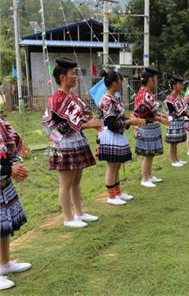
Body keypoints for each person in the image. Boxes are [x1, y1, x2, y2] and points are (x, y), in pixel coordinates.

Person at [42, 58, 102, 228]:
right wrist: (88, 124)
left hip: (75, 140)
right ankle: (68, 218)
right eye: (73, 74)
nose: (76, 77)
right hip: (63, 142)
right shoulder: (57, 98)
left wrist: (94, 122)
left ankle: (79, 213)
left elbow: (83, 114)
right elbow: (63, 126)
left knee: (76, 180)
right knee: (65, 183)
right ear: (62, 77)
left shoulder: (72, 96)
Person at [97, 69, 145, 206]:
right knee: (112, 166)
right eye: (120, 81)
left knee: (117, 165)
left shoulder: (114, 98)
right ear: (114, 83)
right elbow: (111, 123)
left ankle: (117, 192)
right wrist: (130, 122)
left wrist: (132, 119)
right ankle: (111, 195)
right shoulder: (106, 101)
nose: (122, 84)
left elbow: (119, 117)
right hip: (110, 135)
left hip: (117, 135)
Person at [0, 117, 31, 290]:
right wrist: (9, 170)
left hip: (3, 183)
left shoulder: (1, 122)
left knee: (3, 229)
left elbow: (11, 144)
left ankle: (4, 263)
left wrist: (16, 166)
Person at [133, 68, 169, 188]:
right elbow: (146, 115)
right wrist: (160, 119)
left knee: (151, 154)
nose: (156, 81)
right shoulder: (144, 94)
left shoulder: (148, 93)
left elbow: (152, 111)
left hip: (151, 127)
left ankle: (149, 175)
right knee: (148, 154)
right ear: (150, 80)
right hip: (146, 127)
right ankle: (145, 178)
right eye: (154, 79)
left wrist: (160, 115)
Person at [164, 74, 189, 167]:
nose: (181, 86)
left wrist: (187, 113)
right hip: (172, 123)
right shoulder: (170, 98)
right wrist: (186, 114)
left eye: (182, 84)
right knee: (173, 143)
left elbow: (184, 108)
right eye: (179, 84)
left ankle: (176, 159)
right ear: (174, 86)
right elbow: (172, 112)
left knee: (175, 143)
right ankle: (173, 160)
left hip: (178, 122)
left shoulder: (179, 96)